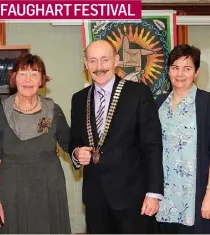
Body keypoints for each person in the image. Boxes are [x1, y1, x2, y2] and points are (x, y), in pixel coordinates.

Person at [69, 39, 163, 234]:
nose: (99, 67)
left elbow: (152, 146)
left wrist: (153, 193)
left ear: (116, 61)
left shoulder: (138, 93)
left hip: (132, 198)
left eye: (105, 60)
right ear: (86, 64)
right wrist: (77, 153)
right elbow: (74, 141)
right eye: (93, 61)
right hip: (95, 200)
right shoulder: (78, 99)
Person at [0, 53, 71, 233]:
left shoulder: (53, 110)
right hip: (12, 191)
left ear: (42, 79)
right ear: (13, 77)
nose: (28, 80)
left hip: (49, 188)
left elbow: (70, 144)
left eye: (34, 74)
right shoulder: (0, 112)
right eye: (22, 73)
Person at [153, 44, 210, 234]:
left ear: (196, 72)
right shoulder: (158, 104)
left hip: (196, 199)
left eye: (187, 68)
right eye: (175, 68)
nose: (180, 74)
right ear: (168, 71)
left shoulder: (207, 103)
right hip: (163, 202)